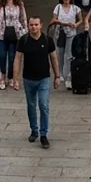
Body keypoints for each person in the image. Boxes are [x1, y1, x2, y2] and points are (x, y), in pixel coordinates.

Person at [16, 16, 61, 148]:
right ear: (28, 26)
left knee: (43, 105)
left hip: (44, 79)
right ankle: (34, 130)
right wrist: (15, 79)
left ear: (41, 25)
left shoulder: (48, 40)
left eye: (36, 25)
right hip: (28, 79)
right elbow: (17, 59)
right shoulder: (23, 40)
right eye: (31, 25)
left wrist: (57, 76)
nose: (34, 27)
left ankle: (43, 134)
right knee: (31, 106)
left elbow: (53, 58)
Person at [51, 0, 82, 80]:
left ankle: (68, 72)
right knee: (60, 53)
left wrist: (76, 25)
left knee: (69, 54)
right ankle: (60, 73)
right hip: (60, 32)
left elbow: (80, 20)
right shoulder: (58, 7)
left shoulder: (75, 8)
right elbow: (54, 20)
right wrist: (65, 23)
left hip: (71, 33)